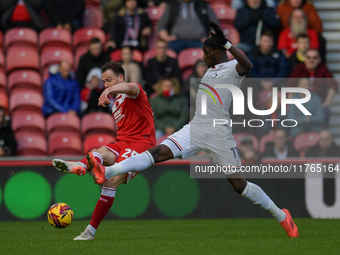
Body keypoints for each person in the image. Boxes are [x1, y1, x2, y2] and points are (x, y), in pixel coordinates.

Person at [89, 22, 299, 238]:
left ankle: (282, 216)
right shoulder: (210, 71)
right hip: (196, 128)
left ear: (218, 51)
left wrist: (227, 43)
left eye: (207, 52)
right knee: (157, 152)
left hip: (219, 134)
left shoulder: (232, 69)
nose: (203, 56)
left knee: (240, 186)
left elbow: (248, 65)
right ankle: (109, 171)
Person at [52, 61, 156, 240]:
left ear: (120, 77)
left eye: (109, 80)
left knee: (110, 183)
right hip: (122, 142)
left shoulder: (135, 90)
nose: (106, 84)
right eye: (104, 82)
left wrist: (109, 91)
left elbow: (130, 87)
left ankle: (89, 232)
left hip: (142, 145)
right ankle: (80, 166)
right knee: (98, 152)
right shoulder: (115, 104)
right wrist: (110, 92)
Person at [289, 49, 338, 128]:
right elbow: (290, 86)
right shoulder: (298, 69)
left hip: (317, 105)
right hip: (300, 103)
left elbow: (334, 86)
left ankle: (324, 135)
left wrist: (326, 103)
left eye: (314, 58)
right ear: (305, 58)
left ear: (319, 59)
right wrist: (290, 103)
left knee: (326, 110)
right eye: (309, 57)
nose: (311, 60)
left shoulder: (323, 69)